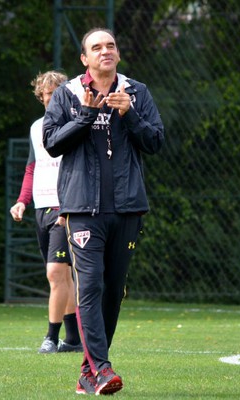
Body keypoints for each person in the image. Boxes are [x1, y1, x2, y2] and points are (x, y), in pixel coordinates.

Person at [43, 28, 164, 394]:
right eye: (96, 47)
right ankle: (103, 368)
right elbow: (51, 143)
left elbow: (155, 141)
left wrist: (130, 115)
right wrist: (83, 115)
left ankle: (89, 371)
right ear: (85, 59)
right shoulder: (67, 94)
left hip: (127, 209)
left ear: (118, 54)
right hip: (82, 209)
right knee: (91, 284)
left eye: (110, 45)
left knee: (113, 291)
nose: (105, 51)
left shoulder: (137, 92)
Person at [10, 71, 82, 354]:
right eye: (47, 95)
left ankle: (51, 337)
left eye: (57, 94)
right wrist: (22, 201)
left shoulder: (76, 125)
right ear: (41, 98)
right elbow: (33, 167)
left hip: (64, 209)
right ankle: (74, 340)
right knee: (61, 277)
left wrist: (68, 205)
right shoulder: (36, 127)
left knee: (55, 273)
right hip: (41, 207)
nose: (51, 99)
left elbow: (79, 170)